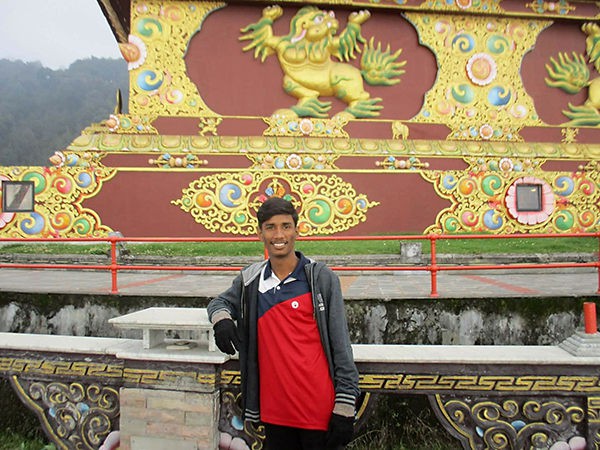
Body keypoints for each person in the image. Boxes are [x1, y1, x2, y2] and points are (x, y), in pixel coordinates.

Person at [207, 197, 360, 450]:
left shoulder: (320, 278)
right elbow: (219, 303)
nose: (279, 235)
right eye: (270, 227)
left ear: (296, 231)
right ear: (260, 233)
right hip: (274, 412)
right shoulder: (251, 280)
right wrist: (222, 321)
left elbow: (341, 346)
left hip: (318, 410)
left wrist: (345, 405)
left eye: (286, 226)